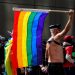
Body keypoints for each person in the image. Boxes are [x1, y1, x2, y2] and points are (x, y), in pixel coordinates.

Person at [40, 9, 74, 75]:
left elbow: (46, 54)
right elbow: (66, 30)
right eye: (59, 29)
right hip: (57, 66)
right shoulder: (56, 37)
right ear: (56, 30)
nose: (60, 31)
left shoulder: (48, 41)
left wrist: (46, 65)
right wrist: (71, 17)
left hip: (51, 65)